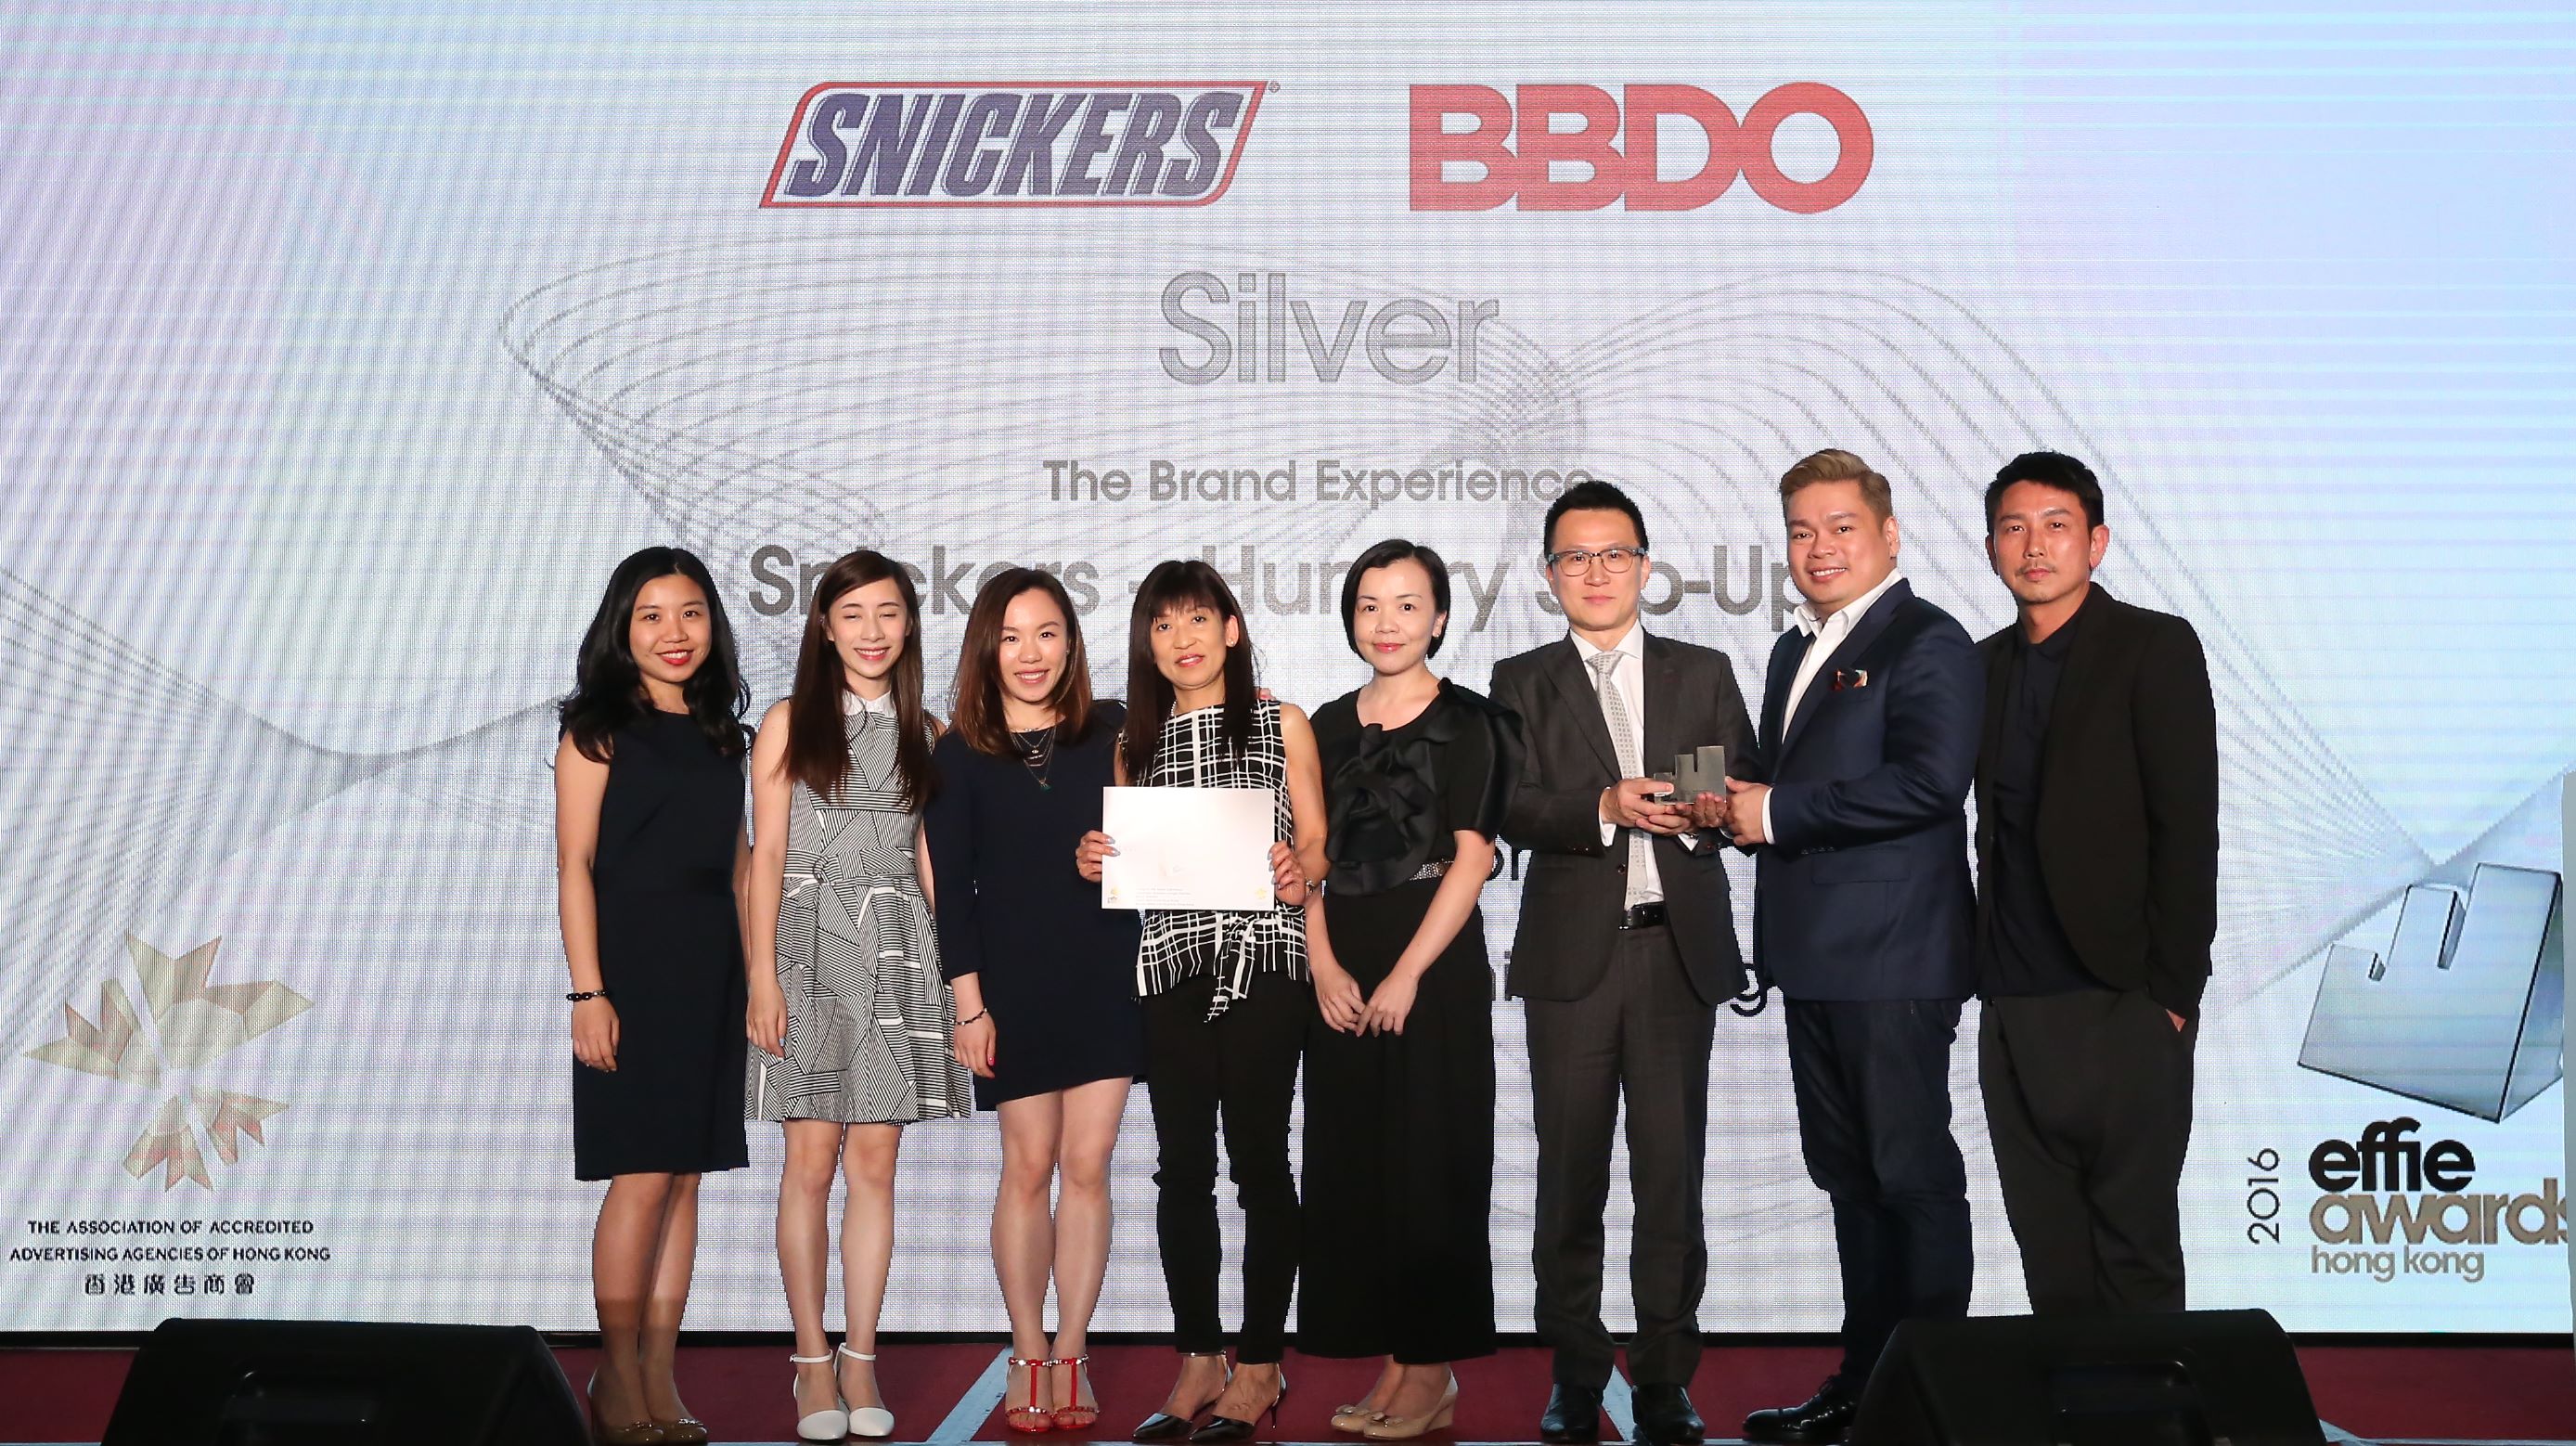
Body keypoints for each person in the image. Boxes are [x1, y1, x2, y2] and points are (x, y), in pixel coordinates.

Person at [1720, 450, 1982, 1444]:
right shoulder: (1793, 650)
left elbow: (1929, 783)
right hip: (1815, 959)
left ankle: (1930, 1397)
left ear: (1889, 534)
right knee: (1851, 1178)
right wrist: (1709, 802)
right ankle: (1865, 1385)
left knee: (1909, 1177)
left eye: (1840, 526)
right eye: (1801, 530)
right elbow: (1770, 784)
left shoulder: (1928, 639)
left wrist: (1774, 812)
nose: (1818, 547)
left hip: (1894, 957)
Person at [1488, 480, 1757, 1446]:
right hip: (1572, 961)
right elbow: (1507, 804)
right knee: (1569, 1176)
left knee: (1670, 1175)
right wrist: (1600, 805)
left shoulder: (1701, 670)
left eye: (1614, 554)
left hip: (1675, 953)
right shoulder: (1521, 680)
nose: (1595, 572)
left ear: (1645, 567)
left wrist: (1704, 812)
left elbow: (1735, 785)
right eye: (1575, 557)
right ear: (1549, 574)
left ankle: (1665, 1376)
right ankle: (1575, 1369)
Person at [1075, 560, 1324, 1446]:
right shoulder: (1132, 744)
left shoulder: (1282, 721)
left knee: (1260, 1164)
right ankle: (1198, 1358)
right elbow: (1129, 861)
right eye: (1162, 624)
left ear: (1231, 628)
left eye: (1196, 619)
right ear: (1147, 643)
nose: (1182, 639)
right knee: (1181, 1169)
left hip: (1266, 961)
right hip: (1171, 967)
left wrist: (1300, 869)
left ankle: (1260, 1364)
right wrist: (1096, 858)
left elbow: (1318, 841)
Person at [1973, 451, 2217, 1315]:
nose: (2034, 546)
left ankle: (2151, 1397)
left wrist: (2171, 996)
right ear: (1992, 548)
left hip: (2122, 1000)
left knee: (2134, 1248)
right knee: (2051, 1256)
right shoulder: (1982, 666)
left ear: (2097, 542)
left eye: (2056, 526)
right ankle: (2072, 1397)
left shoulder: (2153, 647)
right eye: (2013, 528)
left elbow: (2187, 828)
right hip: (2012, 1002)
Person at [744, 549, 974, 1442]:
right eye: (853, 615)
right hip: (804, 947)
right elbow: (767, 854)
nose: (872, 632)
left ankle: (861, 1356)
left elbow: (930, 863)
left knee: (876, 1165)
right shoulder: (787, 722)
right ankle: (810, 1360)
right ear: (825, 627)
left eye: (888, 613)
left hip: (896, 948)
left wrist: (960, 983)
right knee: (809, 1165)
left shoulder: (931, 731)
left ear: (909, 624)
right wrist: (761, 976)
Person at [1299, 540, 1522, 1440]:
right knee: (1358, 1168)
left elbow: (1471, 859)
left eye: (1405, 605)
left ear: (1439, 619)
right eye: (1369, 605)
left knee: (1433, 1165)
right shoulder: (1322, 725)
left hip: (1432, 962)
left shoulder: (1474, 723)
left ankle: (1432, 1370)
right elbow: (1308, 860)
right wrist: (1321, 963)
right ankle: (1395, 1359)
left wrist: (1405, 974)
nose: (1385, 623)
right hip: (1340, 963)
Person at [924, 568, 1144, 1434]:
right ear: (987, 648)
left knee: (1088, 1166)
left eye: (1047, 633)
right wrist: (968, 1005)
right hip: (1010, 984)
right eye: (1011, 637)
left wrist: (1252, 707)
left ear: (1071, 642)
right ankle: (1026, 1347)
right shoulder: (958, 754)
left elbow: (1162, 822)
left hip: (1105, 972)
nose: (1030, 653)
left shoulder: (1114, 729)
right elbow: (952, 892)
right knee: (1027, 1165)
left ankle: (1073, 1350)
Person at [555, 545, 753, 1446]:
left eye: (691, 613)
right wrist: (587, 991)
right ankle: (616, 1374)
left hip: (712, 969)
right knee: (640, 1175)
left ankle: (659, 1374)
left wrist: (760, 980)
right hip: (631, 971)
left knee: (684, 1177)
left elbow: (741, 867)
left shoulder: (722, 733)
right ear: (622, 628)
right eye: (652, 616)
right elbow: (574, 865)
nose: (675, 633)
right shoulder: (597, 729)